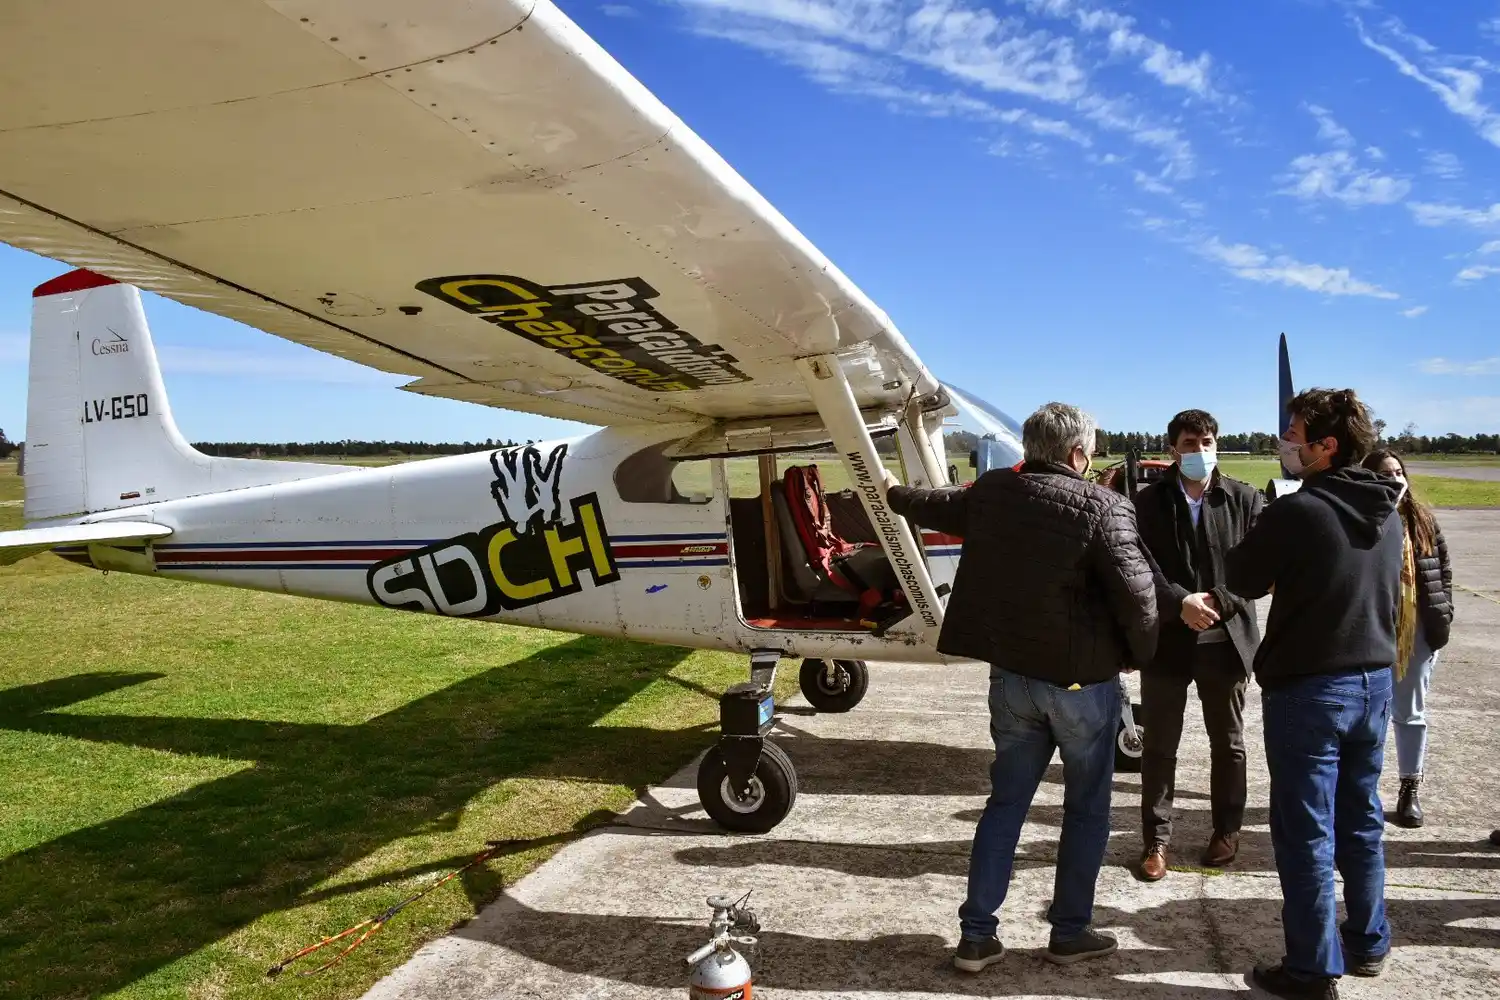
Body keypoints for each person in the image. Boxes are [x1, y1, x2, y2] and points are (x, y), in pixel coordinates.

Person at [884, 402, 1158, 973]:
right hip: (1083, 687)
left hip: (1011, 681)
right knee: (1086, 811)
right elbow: (1140, 601)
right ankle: (1070, 931)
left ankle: (977, 936)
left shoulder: (991, 494)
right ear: (1078, 454)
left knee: (1005, 805)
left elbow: (932, 505)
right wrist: (1136, 657)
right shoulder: (1107, 508)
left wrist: (889, 490)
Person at [1225, 388, 1405, 1000]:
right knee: (1362, 820)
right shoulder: (1389, 511)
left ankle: (1310, 968)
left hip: (1311, 689)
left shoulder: (1299, 511)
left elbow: (1242, 576)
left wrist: (1266, 526)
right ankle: (1369, 939)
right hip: (1374, 683)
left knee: (1305, 832)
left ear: (1326, 446)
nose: (1287, 444)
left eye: (1296, 434)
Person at [1132, 410, 1262, 881]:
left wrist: (1219, 602)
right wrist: (1179, 602)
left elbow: (1261, 568)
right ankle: (1156, 840)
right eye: (1190, 443)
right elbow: (1137, 566)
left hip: (1225, 643)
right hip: (1167, 641)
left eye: (1207, 441)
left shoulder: (1244, 499)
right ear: (1173, 450)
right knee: (1160, 746)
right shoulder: (1147, 504)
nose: (1200, 450)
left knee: (1227, 743)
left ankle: (1226, 830)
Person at [1360, 450, 1454, 828]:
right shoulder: (1364, 521)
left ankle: (1409, 786)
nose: (1396, 479)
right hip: (1372, 629)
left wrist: (1442, 617)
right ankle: (1362, 792)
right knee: (1367, 716)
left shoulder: (1423, 521)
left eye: (1399, 472)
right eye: (1385, 473)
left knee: (1410, 713)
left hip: (1416, 632)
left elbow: (1442, 572)